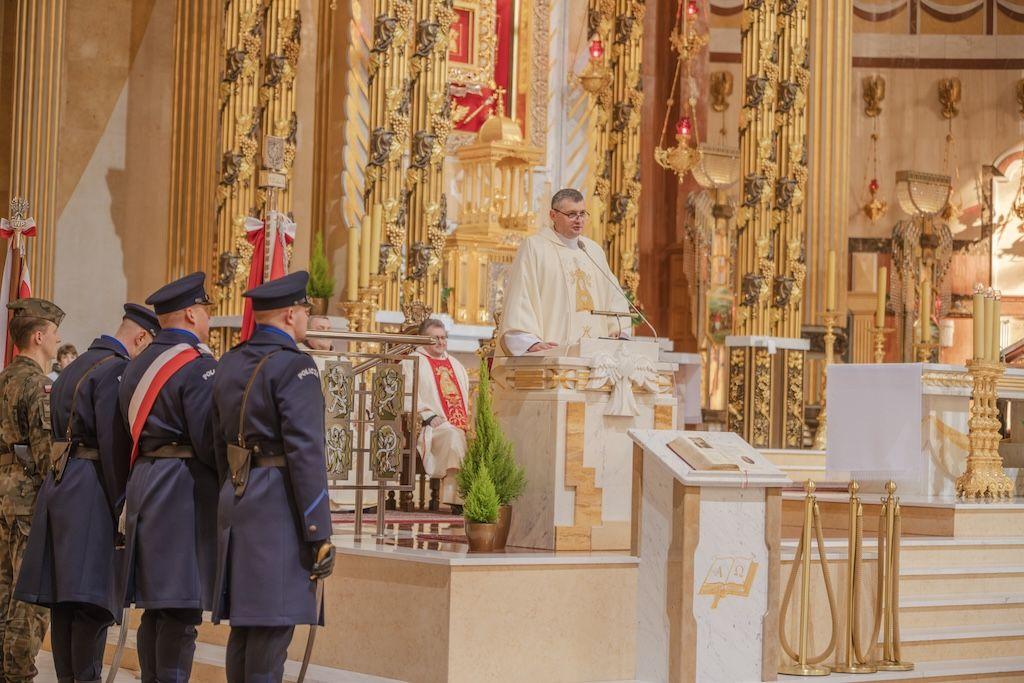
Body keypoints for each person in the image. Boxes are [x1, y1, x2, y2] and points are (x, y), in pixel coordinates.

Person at [15, 304, 159, 683]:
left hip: (61, 485)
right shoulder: (115, 370)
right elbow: (113, 446)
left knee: (66, 600)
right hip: (91, 488)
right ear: (140, 338)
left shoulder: (74, 366)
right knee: (91, 603)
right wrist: (120, 504)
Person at [210, 271, 334, 682]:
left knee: (246, 628)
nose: (305, 318)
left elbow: (215, 441)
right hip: (277, 508)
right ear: (289, 314)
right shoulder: (295, 366)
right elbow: (306, 453)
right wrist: (318, 530)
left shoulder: (228, 361)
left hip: (238, 495)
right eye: (304, 311)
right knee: (271, 630)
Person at [116, 272, 219, 682]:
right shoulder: (195, 366)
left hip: (144, 483)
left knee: (156, 608)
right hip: (182, 490)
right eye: (207, 311)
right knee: (180, 609)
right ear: (192, 313)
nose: (209, 319)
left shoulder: (136, 362)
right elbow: (208, 439)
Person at [0, 297, 64, 683]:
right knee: (30, 594)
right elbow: (46, 456)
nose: (58, 341)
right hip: (27, 500)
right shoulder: (38, 385)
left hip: (4, 492)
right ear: (38, 336)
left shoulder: (4, 378)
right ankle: (18, 672)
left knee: (4, 588)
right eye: (54, 334)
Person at [498, 188, 631, 355]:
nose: (579, 220)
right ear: (553, 215)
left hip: (596, 356)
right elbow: (522, 295)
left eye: (582, 213)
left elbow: (613, 296)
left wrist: (619, 330)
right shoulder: (535, 247)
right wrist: (528, 341)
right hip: (553, 354)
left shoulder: (593, 251)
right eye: (571, 214)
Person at [406, 318, 470, 509]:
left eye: (443, 337)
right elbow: (405, 395)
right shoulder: (413, 362)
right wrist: (428, 416)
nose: (441, 342)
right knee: (453, 436)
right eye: (435, 338)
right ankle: (457, 501)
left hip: (458, 424)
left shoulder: (456, 365)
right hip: (431, 428)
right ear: (423, 340)